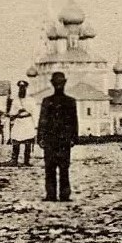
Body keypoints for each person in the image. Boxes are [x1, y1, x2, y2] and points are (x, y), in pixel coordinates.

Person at [37, 72, 79, 202]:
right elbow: (42, 121)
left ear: (65, 83)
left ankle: (64, 195)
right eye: (56, 83)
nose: (59, 85)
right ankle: (51, 194)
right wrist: (40, 137)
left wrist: (74, 138)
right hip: (50, 140)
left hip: (64, 140)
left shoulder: (70, 101)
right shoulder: (47, 101)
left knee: (64, 168)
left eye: (61, 82)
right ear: (52, 84)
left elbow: (74, 121)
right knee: (49, 168)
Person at [8, 101, 36, 166]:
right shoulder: (16, 101)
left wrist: (35, 125)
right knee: (16, 140)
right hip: (18, 121)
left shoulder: (30, 100)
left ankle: (26, 161)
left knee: (28, 142)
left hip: (28, 121)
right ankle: (14, 160)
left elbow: (34, 112)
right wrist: (18, 111)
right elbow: (11, 113)